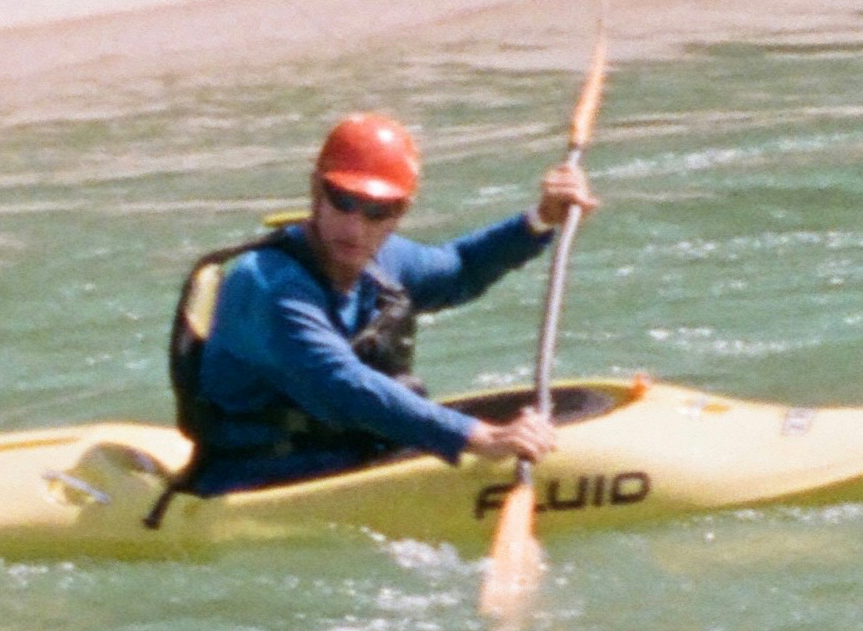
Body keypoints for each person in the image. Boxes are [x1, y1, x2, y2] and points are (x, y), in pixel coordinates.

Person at [175, 105, 598, 498]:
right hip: (257, 479)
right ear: (316, 191)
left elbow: (460, 268)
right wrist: (480, 437)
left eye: (379, 211)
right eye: (343, 201)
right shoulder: (267, 283)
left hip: (346, 458)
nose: (355, 226)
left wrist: (541, 219)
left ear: (401, 212)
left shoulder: (381, 259)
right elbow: (342, 385)